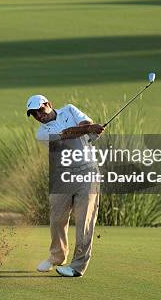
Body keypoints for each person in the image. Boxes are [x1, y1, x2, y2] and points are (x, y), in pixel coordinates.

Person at [26, 94, 104, 278]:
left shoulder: (69, 109)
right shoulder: (42, 133)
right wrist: (89, 129)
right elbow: (66, 135)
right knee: (57, 219)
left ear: (49, 104)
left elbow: (85, 121)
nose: (38, 115)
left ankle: (77, 267)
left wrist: (90, 128)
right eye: (34, 114)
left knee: (85, 221)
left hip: (87, 172)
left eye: (40, 110)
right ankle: (57, 256)